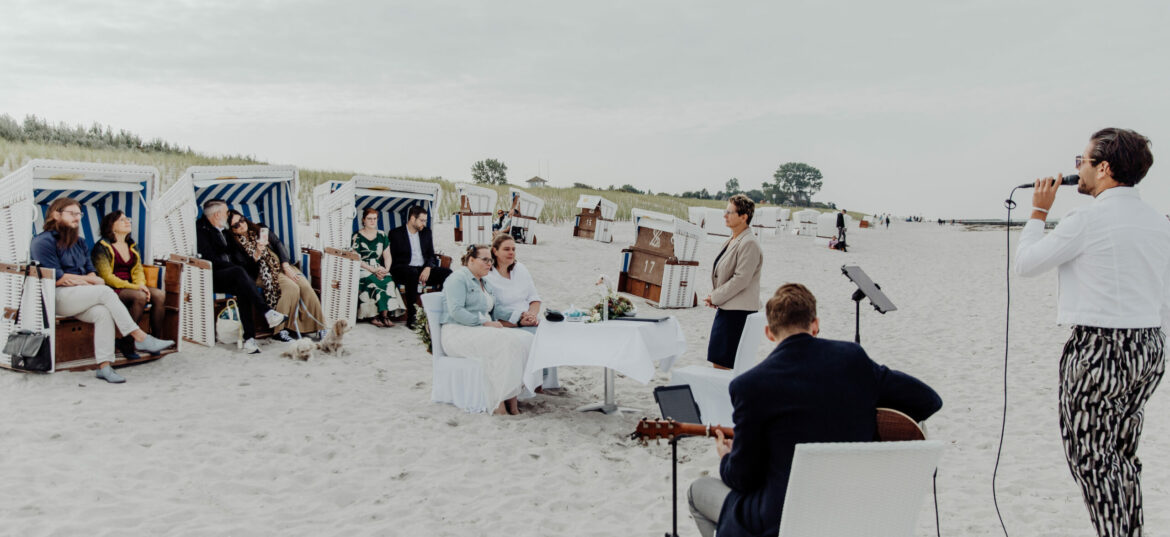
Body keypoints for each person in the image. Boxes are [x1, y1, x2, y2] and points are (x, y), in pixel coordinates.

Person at [688, 283, 942, 537]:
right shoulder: (854, 360)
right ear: (815, 325)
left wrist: (725, 457)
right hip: (851, 516)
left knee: (698, 491)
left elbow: (742, 479)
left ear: (769, 333)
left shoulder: (750, 386)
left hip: (780, 523)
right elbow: (928, 401)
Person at [1015, 128, 1170, 537]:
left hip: (1099, 348)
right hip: (1149, 347)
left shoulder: (1086, 218)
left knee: (1092, 460)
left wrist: (1037, 213)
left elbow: (1027, 264)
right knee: (1121, 454)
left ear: (1103, 168)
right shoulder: (1158, 222)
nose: (1076, 170)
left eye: (1080, 161)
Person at [31, 198, 174, 383]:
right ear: (56, 214)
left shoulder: (80, 242)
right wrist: (87, 280)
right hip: (57, 298)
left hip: (81, 294)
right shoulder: (42, 242)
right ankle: (139, 336)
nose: (77, 218)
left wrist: (83, 280)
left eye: (79, 214)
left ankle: (104, 367)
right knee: (105, 291)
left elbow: (94, 275)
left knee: (103, 312)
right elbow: (58, 278)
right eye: (72, 213)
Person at [441, 244, 534, 415]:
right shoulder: (458, 278)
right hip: (458, 332)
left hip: (481, 331)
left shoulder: (485, 283)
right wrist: (483, 323)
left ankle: (512, 399)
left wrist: (521, 316)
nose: (489, 264)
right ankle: (499, 402)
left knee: (524, 339)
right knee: (504, 342)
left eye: (490, 260)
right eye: (485, 260)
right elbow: (456, 311)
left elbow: (496, 310)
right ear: (471, 260)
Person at [195, 199, 287, 354]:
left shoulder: (225, 232)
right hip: (211, 276)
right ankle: (267, 312)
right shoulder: (201, 230)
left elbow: (242, 259)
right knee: (239, 274)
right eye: (226, 212)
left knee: (243, 286)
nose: (227, 215)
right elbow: (211, 261)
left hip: (233, 275)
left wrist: (256, 254)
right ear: (217, 215)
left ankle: (250, 339)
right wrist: (238, 269)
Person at [226, 210, 326, 342]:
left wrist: (285, 265)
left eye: (242, 220)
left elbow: (278, 244)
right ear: (232, 230)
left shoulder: (259, 228)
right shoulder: (235, 245)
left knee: (305, 286)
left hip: (280, 266)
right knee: (292, 288)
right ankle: (280, 330)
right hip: (261, 274)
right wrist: (257, 252)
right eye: (236, 225)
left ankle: (319, 326)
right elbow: (245, 269)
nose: (242, 225)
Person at [484, 233, 558, 390]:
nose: (511, 252)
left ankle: (543, 382)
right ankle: (530, 383)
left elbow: (534, 298)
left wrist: (532, 314)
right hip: (507, 322)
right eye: (506, 249)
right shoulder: (488, 276)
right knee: (532, 336)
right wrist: (519, 320)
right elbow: (492, 310)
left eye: (513, 249)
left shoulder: (520, 269)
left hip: (528, 317)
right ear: (495, 251)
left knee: (549, 331)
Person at [703, 194, 763, 370]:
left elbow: (741, 279)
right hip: (728, 308)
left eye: (730, 212)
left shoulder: (749, 243)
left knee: (723, 364)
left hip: (738, 313)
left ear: (744, 217)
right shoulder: (733, 239)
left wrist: (715, 297)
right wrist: (716, 298)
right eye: (725, 211)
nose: (725, 215)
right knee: (719, 361)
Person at [91, 210, 166, 338]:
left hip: (132, 287)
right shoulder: (101, 247)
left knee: (160, 295)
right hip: (112, 289)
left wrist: (141, 284)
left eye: (128, 219)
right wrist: (136, 287)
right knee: (140, 297)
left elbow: (138, 270)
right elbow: (107, 277)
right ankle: (127, 340)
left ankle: (156, 338)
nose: (127, 222)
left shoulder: (132, 245)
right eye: (122, 220)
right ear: (111, 225)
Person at [389, 205, 452, 328]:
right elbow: (393, 259)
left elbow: (431, 255)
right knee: (411, 272)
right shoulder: (396, 233)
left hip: (422, 269)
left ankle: (442, 310)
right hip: (402, 269)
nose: (424, 223)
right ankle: (412, 317)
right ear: (412, 219)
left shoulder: (426, 232)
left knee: (448, 273)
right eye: (422, 220)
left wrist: (428, 268)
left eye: (425, 220)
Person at [352, 208, 406, 328]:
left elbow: (387, 256)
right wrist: (372, 270)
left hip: (378, 266)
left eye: (375, 219)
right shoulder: (357, 236)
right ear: (363, 220)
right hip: (363, 266)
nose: (372, 221)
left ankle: (385, 315)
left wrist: (386, 269)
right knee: (372, 280)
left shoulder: (382, 235)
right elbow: (356, 258)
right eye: (369, 219)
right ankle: (373, 316)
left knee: (388, 280)